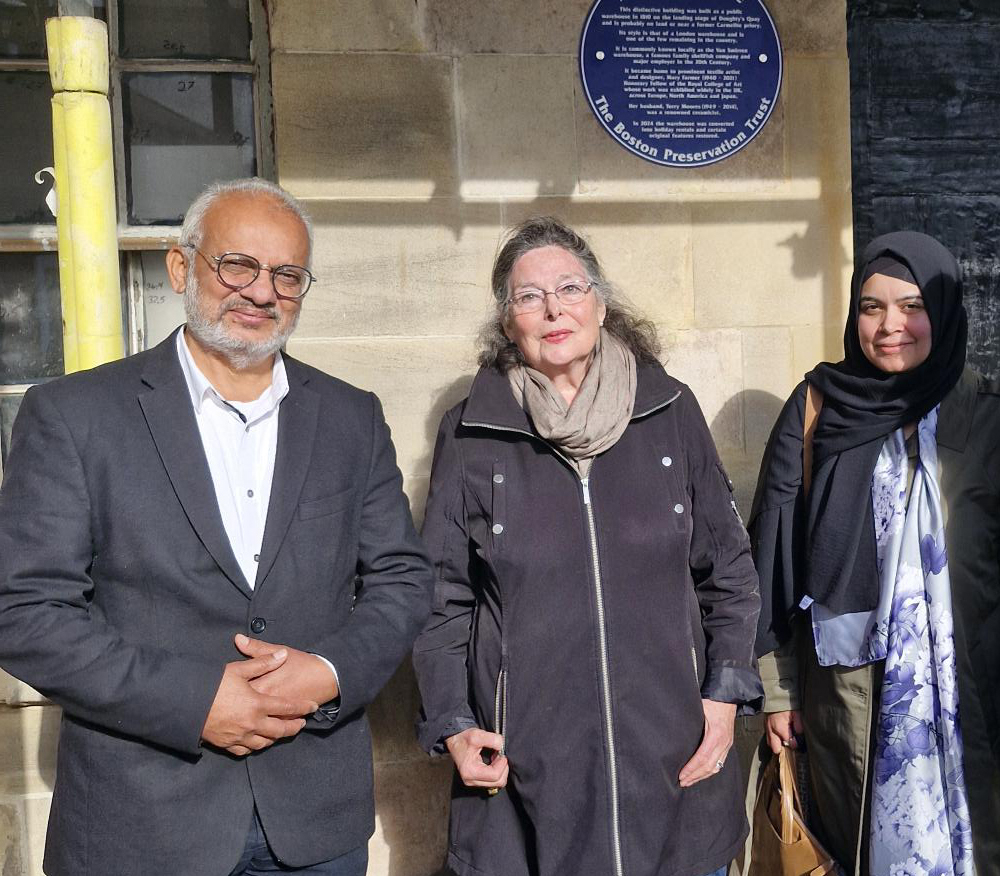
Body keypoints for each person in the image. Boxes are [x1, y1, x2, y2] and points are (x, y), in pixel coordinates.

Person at [0, 178, 434, 876]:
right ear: (181, 267)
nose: (262, 292)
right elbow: (21, 610)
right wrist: (194, 700)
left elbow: (404, 580)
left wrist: (328, 672)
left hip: (314, 825)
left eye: (286, 275)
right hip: (141, 828)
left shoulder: (351, 417)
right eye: (238, 264)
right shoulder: (76, 416)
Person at [411, 217, 762, 876]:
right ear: (506, 320)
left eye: (570, 288)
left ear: (601, 305)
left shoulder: (670, 412)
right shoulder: (473, 435)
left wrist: (723, 704)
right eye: (528, 296)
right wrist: (454, 726)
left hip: (675, 758)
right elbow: (440, 600)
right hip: (529, 776)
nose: (552, 309)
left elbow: (731, 573)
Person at [750, 231, 1000, 876]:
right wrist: (778, 693)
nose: (890, 326)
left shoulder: (994, 417)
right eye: (872, 307)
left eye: (912, 305)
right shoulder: (818, 408)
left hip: (971, 701)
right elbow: (771, 557)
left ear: (947, 310)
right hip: (848, 698)